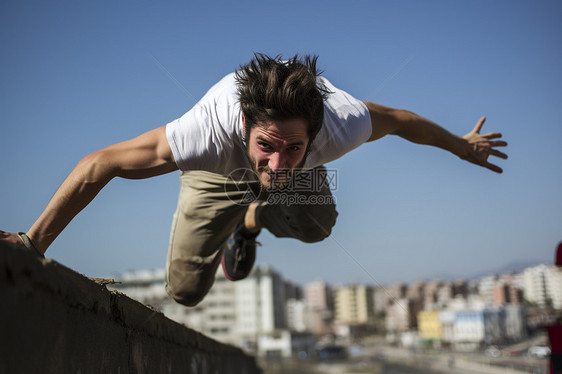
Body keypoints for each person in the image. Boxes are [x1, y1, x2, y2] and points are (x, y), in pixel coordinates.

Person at [0, 54, 508, 307]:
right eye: (267, 145)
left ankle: (249, 224)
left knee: (318, 225)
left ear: (315, 133)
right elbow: (99, 164)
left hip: (286, 177)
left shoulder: (343, 121)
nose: (280, 162)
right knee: (184, 292)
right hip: (215, 176)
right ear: (245, 126)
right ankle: (236, 208)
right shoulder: (204, 134)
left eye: (295, 147)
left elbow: (401, 119)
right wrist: (31, 241)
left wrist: (462, 147)